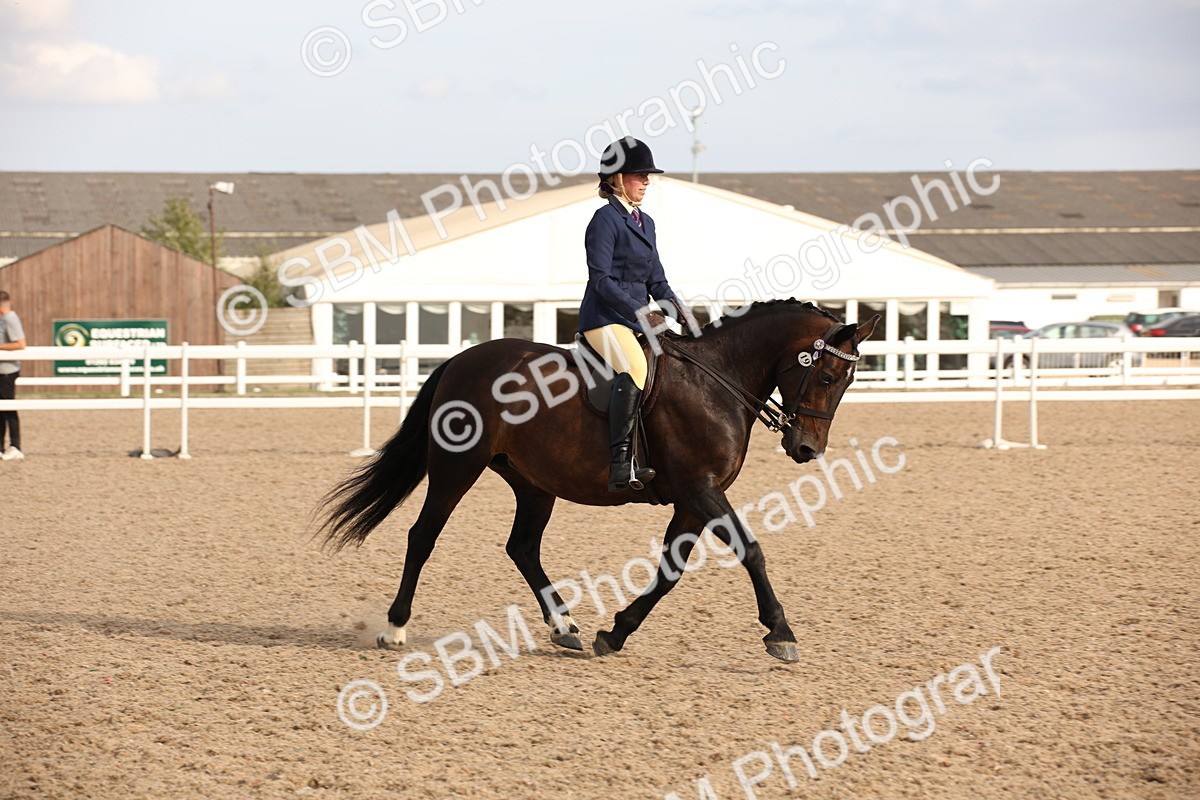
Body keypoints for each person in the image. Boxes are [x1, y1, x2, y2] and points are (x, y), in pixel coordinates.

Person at [578, 137, 689, 491]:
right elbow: (601, 280)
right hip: (605, 319)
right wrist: (643, 313)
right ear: (616, 178)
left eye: (647, 176)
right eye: (640, 175)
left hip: (634, 319)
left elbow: (657, 279)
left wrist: (681, 313)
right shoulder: (604, 220)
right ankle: (620, 464)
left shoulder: (647, 223)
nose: (646, 181)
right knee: (636, 368)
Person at [0, 290, 26, 461]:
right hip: (2, 371)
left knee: (8, 409)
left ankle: (15, 446)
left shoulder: (10, 319)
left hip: (7, 372)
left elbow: (20, 344)